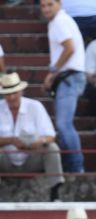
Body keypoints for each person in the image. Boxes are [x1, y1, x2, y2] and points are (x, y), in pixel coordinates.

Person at [0, 72, 64, 202]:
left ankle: (55, 193)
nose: (12, 97)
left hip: (31, 158)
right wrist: (13, 141)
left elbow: (50, 135)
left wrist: (39, 142)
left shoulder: (35, 106)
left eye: (15, 92)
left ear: (21, 92)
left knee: (52, 147)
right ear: (3, 94)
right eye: (8, 94)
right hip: (6, 159)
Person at [42, 0, 86, 174]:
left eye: (50, 4)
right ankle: (73, 166)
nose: (46, 9)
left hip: (70, 77)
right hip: (69, 77)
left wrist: (53, 72)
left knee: (64, 124)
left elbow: (69, 48)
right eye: (43, 5)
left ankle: (77, 167)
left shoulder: (59, 21)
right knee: (63, 125)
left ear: (59, 4)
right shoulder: (61, 20)